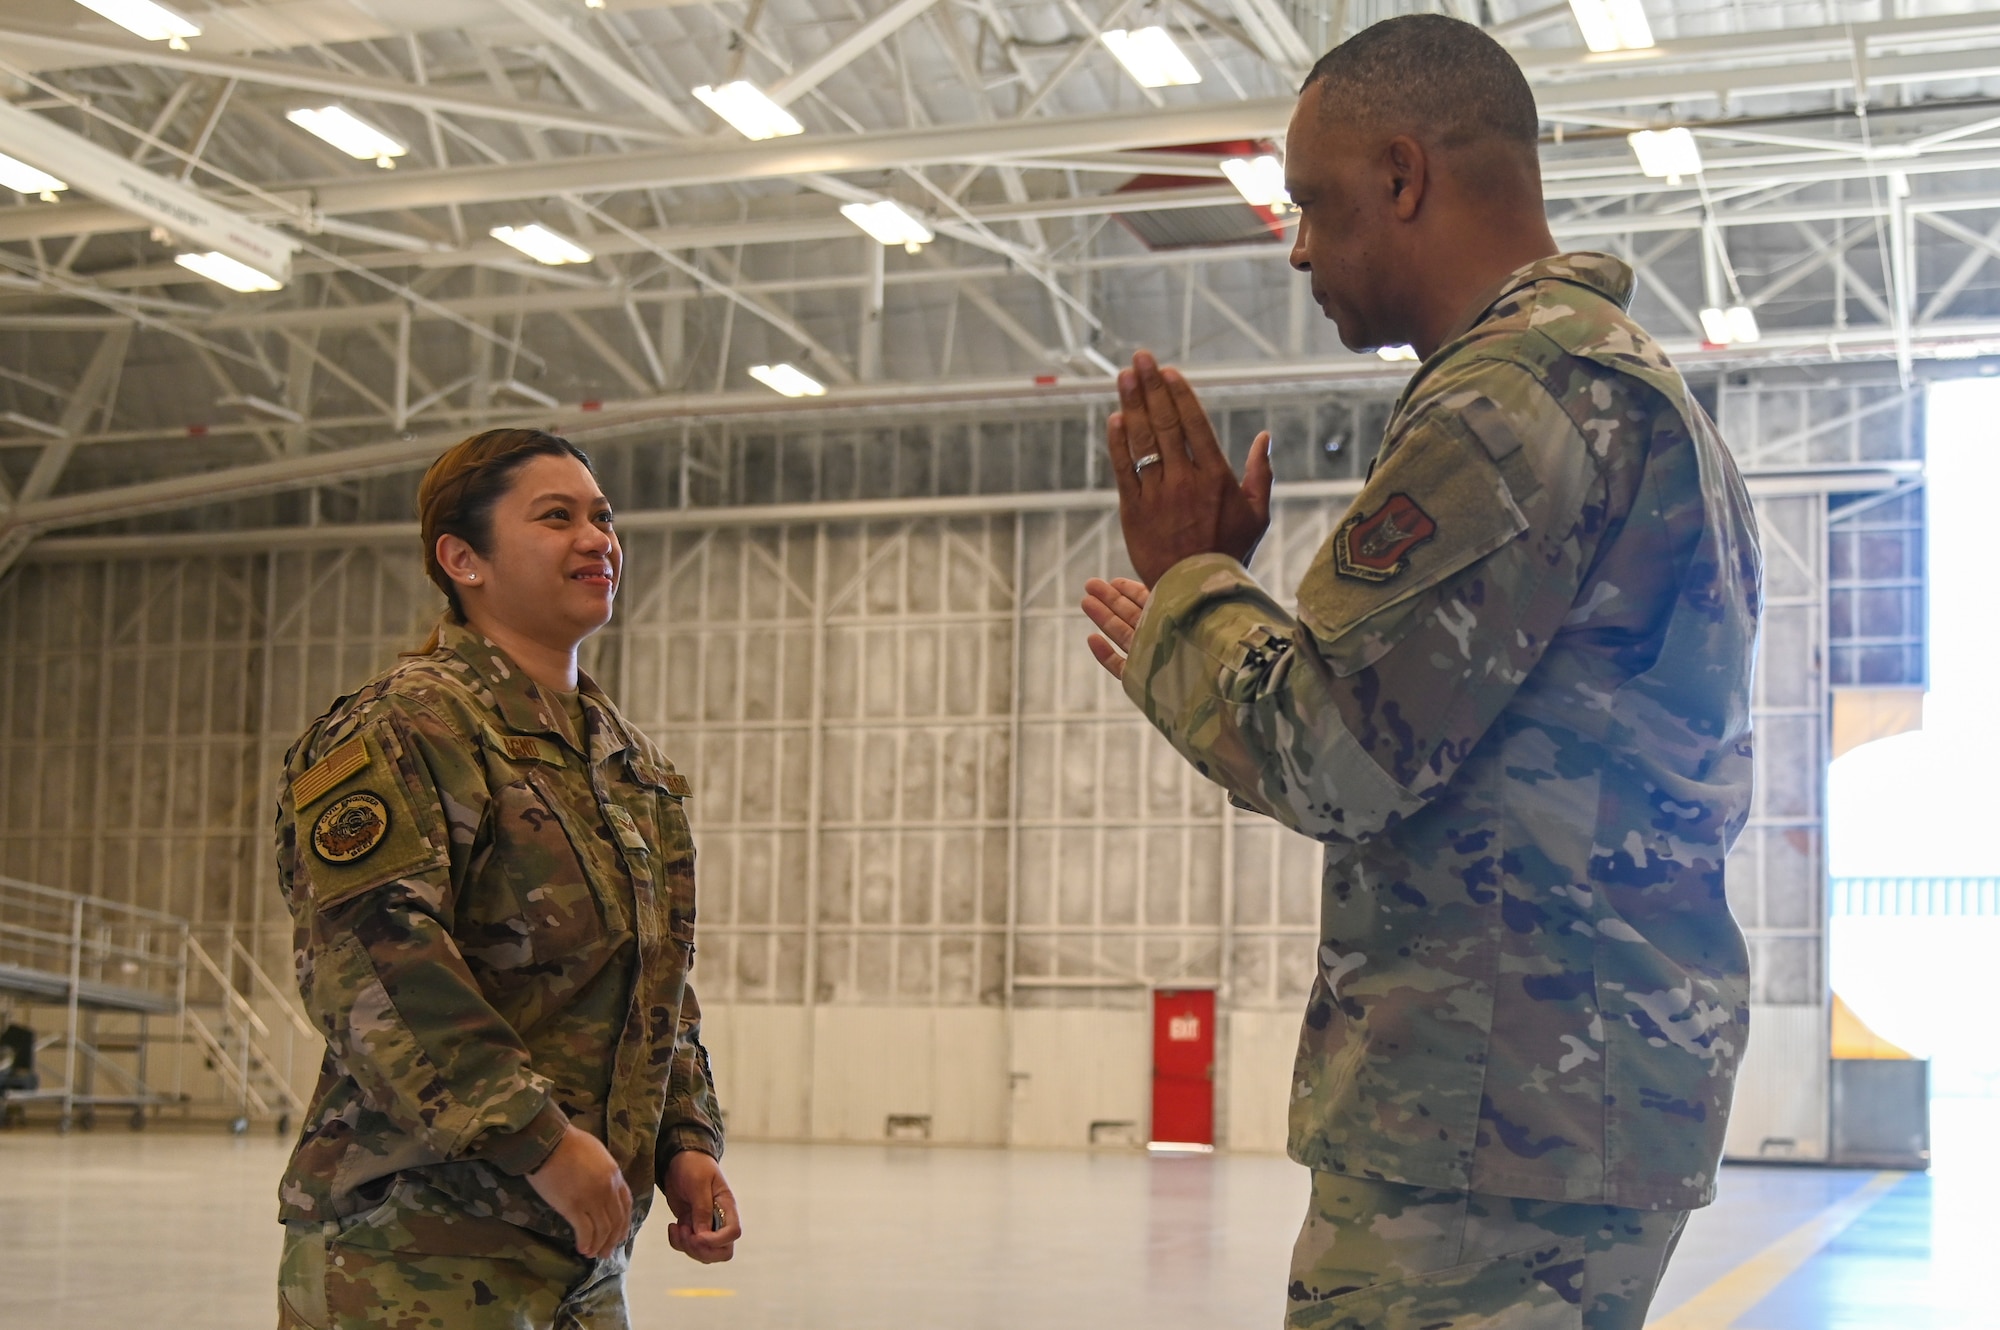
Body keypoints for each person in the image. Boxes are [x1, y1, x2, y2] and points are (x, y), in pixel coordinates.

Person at [1080, 15, 1759, 1330]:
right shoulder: (1620, 386)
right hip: (1567, 1109)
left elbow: (1336, 758)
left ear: (1403, 177)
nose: (1299, 246)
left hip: (1486, 1124)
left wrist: (1192, 586)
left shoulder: (1508, 406)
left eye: (1316, 203)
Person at [272, 428, 739, 1329]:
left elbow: (657, 989)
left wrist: (685, 1140)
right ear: (462, 559)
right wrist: (540, 1144)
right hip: (415, 1251)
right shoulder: (403, 728)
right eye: (556, 517)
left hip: (582, 1257)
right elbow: (374, 971)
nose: (598, 539)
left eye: (603, 518)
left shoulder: (627, 762)